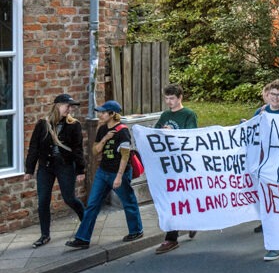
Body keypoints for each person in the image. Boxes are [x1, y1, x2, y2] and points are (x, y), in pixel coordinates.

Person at [66, 100, 144, 249]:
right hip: (103, 172)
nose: (100, 114)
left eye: (103, 112)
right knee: (92, 204)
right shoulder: (102, 130)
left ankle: (136, 230)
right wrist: (105, 139)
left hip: (118, 173)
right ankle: (83, 238)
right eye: (99, 112)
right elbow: (95, 151)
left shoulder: (123, 131)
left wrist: (119, 177)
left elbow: (125, 156)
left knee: (128, 202)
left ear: (112, 114)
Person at [25, 94, 86, 248]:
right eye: (67, 105)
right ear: (57, 105)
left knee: (69, 198)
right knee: (43, 201)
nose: (70, 109)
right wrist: (29, 169)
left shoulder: (74, 125)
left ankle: (86, 223)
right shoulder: (43, 124)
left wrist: (80, 169)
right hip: (45, 167)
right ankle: (45, 235)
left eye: (71, 106)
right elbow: (34, 147)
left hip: (65, 165)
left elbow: (78, 149)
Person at [247, 80, 279, 260]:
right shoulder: (260, 112)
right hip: (263, 166)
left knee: (277, 204)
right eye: (272, 94)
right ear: (267, 95)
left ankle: (278, 243)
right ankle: (276, 240)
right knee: (267, 204)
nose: (275, 98)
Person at [153, 84, 200, 255]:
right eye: (166, 98)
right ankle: (191, 222)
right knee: (173, 198)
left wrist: (173, 133)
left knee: (177, 197)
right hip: (168, 163)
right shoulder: (165, 115)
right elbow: (155, 132)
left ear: (180, 98)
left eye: (172, 98)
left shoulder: (188, 114)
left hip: (183, 163)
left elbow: (192, 136)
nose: (169, 102)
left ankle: (171, 238)